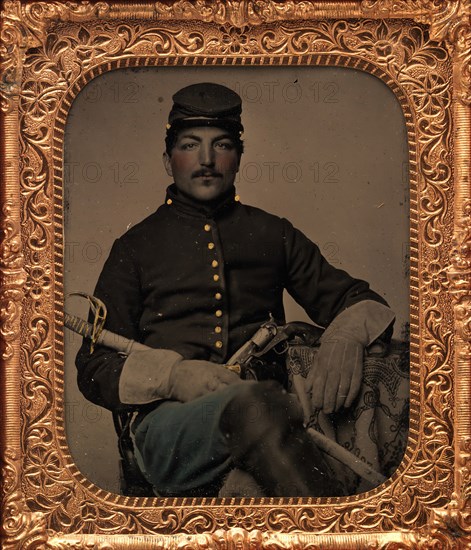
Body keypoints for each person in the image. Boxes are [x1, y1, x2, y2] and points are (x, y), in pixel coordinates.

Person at [76, 82, 395, 498]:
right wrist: (172, 377)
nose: (207, 160)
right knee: (259, 406)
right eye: (191, 145)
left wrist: (346, 333)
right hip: (171, 434)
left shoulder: (272, 233)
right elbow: (93, 368)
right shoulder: (134, 247)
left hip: (269, 418)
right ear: (167, 159)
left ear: (239, 157)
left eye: (222, 145)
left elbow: (360, 301)